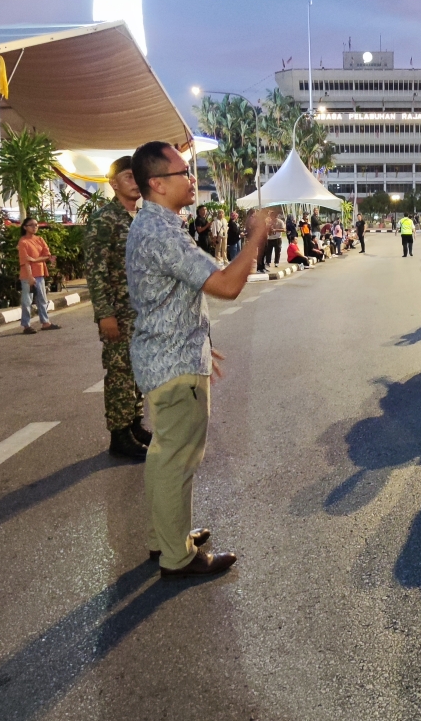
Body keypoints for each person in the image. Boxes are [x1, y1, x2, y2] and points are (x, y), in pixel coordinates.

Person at [126, 140, 272, 579]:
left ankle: (166, 538)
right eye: (182, 173)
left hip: (167, 355)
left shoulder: (154, 225)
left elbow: (173, 297)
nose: (192, 179)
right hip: (174, 366)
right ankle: (178, 556)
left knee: (164, 456)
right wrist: (255, 239)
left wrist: (202, 346)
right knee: (177, 459)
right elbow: (226, 285)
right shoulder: (162, 232)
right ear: (156, 183)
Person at [85, 156, 151, 461]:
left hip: (140, 312)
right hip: (119, 313)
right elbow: (96, 270)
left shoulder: (141, 216)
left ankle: (134, 424)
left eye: (137, 176)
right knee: (120, 373)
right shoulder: (104, 219)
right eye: (128, 177)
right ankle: (119, 435)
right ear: (113, 183)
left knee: (136, 371)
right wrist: (105, 314)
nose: (135, 182)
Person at [17, 217, 60, 335]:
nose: (35, 227)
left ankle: (45, 322)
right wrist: (30, 276)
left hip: (40, 273)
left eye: (36, 225)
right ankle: (26, 325)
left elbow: (47, 255)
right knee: (27, 301)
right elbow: (25, 261)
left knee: (42, 299)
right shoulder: (23, 242)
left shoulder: (40, 239)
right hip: (28, 275)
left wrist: (35, 259)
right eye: (31, 225)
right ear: (25, 227)